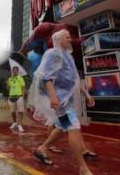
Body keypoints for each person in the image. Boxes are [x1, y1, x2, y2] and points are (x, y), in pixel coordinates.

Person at [29, 29, 96, 175]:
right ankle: (82, 168)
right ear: (59, 39)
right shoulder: (53, 54)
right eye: (67, 37)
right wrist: (53, 97)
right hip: (60, 101)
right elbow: (46, 77)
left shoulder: (68, 57)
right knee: (73, 127)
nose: (70, 39)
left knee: (62, 127)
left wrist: (87, 95)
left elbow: (75, 80)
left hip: (67, 101)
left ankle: (43, 148)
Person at [6, 66, 26, 133]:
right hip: (11, 96)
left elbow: (23, 87)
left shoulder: (20, 78)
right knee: (12, 111)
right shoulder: (10, 79)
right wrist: (7, 84)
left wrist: (22, 96)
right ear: (12, 71)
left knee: (20, 111)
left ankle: (20, 125)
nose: (14, 71)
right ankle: (14, 123)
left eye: (16, 70)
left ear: (17, 71)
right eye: (13, 70)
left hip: (19, 96)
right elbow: (8, 89)